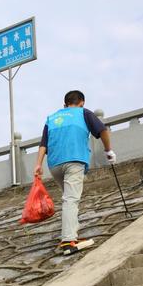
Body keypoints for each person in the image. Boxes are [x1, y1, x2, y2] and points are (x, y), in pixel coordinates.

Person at [33, 90, 115, 255]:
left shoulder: (52, 118)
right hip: (74, 160)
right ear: (82, 102)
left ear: (64, 105)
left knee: (68, 198)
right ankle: (68, 241)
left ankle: (72, 231)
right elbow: (103, 130)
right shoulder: (83, 113)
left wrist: (38, 164)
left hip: (54, 164)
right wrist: (108, 150)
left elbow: (43, 144)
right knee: (71, 199)